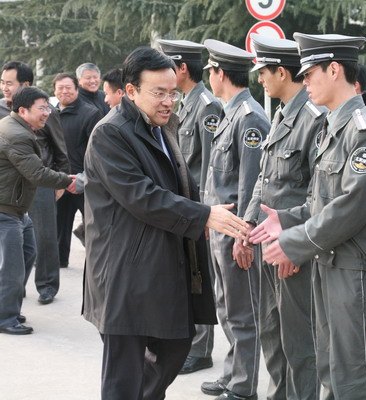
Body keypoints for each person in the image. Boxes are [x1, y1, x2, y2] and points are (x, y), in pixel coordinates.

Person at [82, 46, 249, 400]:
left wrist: (202, 215)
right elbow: (141, 196)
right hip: (124, 271)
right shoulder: (111, 133)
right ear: (131, 91)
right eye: (159, 92)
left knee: (175, 346)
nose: (169, 101)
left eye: (173, 93)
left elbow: (178, 183)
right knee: (124, 377)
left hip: (160, 263)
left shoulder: (160, 125)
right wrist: (203, 215)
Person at [250, 32, 366, 400]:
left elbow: (351, 207)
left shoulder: (364, 132)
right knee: (330, 369)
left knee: (351, 379)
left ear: (334, 70)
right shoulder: (335, 126)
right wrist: (285, 220)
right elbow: (320, 202)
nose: (304, 82)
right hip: (330, 263)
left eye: (310, 73)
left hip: (356, 271)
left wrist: (294, 241)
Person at [243, 33, 326, 400]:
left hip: (291, 249)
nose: (260, 78)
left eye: (264, 72)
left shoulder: (314, 119)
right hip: (268, 242)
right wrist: (249, 225)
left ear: (282, 72)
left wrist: (296, 245)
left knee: (298, 340)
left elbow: (318, 193)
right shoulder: (280, 114)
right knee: (271, 332)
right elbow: (264, 179)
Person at [200, 39, 270, 400]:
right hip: (219, 230)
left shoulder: (250, 118)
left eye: (210, 72)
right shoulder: (230, 113)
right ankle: (232, 375)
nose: (209, 78)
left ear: (220, 73)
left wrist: (244, 236)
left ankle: (244, 386)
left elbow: (251, 184)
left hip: (235, 234)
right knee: (226, 308)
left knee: (243, 313)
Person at [157, 38, 224, 375]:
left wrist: (206, 215)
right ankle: (191, 344)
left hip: (198, 209)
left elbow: (212, 166)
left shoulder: (207, 106)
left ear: (182, 69)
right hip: (184, 206)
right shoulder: (185, 103)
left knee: (200, 276)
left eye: (168, 66)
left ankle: (200, 349)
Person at [0, 86, 75, 335]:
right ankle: (5, 318)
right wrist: (68, 181)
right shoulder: (17, 135)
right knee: (12, 267)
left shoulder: (17, 127)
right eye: (42, 108)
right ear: (23, 110)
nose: (47, 113)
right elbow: (37, 173)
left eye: (48, 108)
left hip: (16, 208)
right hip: (6, 210)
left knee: (27, 253)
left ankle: (6, 307)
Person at [53, 73, 102, 268]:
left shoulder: (90, 114)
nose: (64, 91)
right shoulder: (50, 114)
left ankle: (98, 263)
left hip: (83, 180)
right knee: (59, 225)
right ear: (54, 91)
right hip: (59, 179)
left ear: (76, 89)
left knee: (94, 225)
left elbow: (97, 150)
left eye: (68, 87)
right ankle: (59, 262)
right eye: (60, 88)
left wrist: (84, 177)